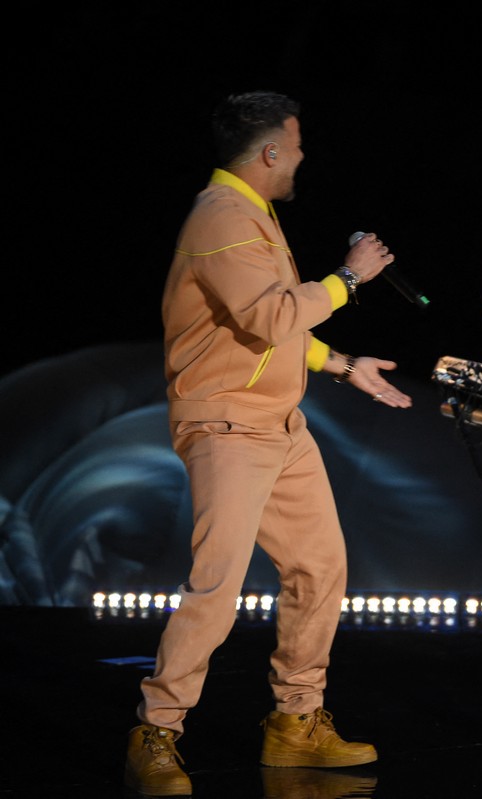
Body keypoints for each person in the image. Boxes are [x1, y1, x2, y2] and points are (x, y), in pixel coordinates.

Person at [124, 90, 413, 796]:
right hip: (227, 425)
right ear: (270, 152)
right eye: (297, 143)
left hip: (278, 426)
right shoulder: (221, 217)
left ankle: (296, 722)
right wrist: (349, 277)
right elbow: (272, 316)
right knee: (216, 587)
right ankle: (155, 730)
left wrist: (343, 366)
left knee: (320, 567)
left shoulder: (253, 216)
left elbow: (271, 330)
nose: (303, 156)